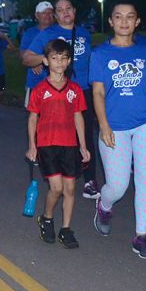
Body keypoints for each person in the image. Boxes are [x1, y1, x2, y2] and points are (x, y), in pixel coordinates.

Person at [90, 1, 146, 259]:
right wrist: (103, 126)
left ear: (137, 22)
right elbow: (98, 92)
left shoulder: (145, 51)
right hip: (115, 126)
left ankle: (141, 237)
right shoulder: (100, 54)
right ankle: (104, 204)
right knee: (118, 185)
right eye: (118, 17)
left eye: (130, 17)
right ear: (111, 22)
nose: (124, 21)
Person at [24, 0, 98, 199]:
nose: (65, 12)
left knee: (86, 133)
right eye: (60, 10)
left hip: (83, 90)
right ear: (55, 15)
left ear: (74, 11)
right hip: (58, 92)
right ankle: (59, 169)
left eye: (68, 8)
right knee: (59, 133)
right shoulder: (47, 34)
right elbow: (27, 57)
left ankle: (89, 179)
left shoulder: (83, 33)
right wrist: (46, 58)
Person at [25, 39, 90, 249]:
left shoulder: (75, 89)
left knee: (70, 188)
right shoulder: (39, 90)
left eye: (63, 59)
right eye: (54, 58)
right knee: (57, 187)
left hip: (69, 144)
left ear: (69, 61)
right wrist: (32, 145)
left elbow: (79, 116)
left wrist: (83, 145)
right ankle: (47, 217)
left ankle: (66, 229)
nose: (59, 63)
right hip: (47, 144)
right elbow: (33, 118)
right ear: (45, 61)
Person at [20, 1, 55, 107]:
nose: (48, 16)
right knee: (35, 116)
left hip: (56, 82)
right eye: (44, 13)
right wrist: (34, 62)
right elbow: (22, 54)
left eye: (50, 13)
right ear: (37, 15)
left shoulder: (58, 32)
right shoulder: (29, 33)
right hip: (35, 82)